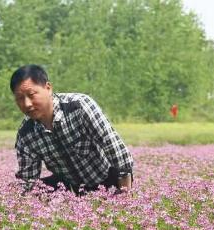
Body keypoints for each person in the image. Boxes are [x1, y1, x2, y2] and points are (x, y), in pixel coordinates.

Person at [11, 64, 134, 195]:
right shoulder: (26, 134)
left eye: (31, 95)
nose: (27, 104)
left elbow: (117, 152)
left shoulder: (79, 106)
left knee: (119, 173)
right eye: (20, 98)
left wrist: (124, 197)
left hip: (108, 179)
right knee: (19, 188)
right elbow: (28, 181)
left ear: (48, 88)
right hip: (70, 189)